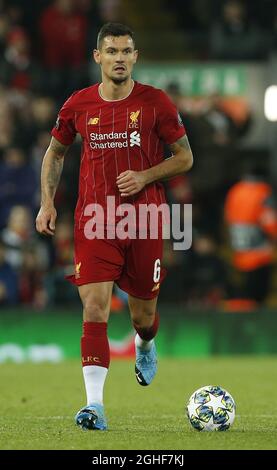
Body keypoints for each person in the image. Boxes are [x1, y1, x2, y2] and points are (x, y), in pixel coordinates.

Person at [35, 22, 193, 431]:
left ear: (135, 57)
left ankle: (145, 344)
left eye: (126, 51)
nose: (119, 58)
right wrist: (47, 202)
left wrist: (145, 176)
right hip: (95, 221)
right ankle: (94, 406)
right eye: (112, 51)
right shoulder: (78, 105)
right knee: (94, 306)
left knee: (142, 317)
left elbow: (184, 157)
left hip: (143, 221)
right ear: (98, 57)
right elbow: (55, 153)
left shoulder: (155, 103)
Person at [224, 163, 277, 306]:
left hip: (239, 255)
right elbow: (269, 221)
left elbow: (228, 219)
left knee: (242, 299)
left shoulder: (235, 191)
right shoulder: (262, 191)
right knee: (258, 300)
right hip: (259, 256)